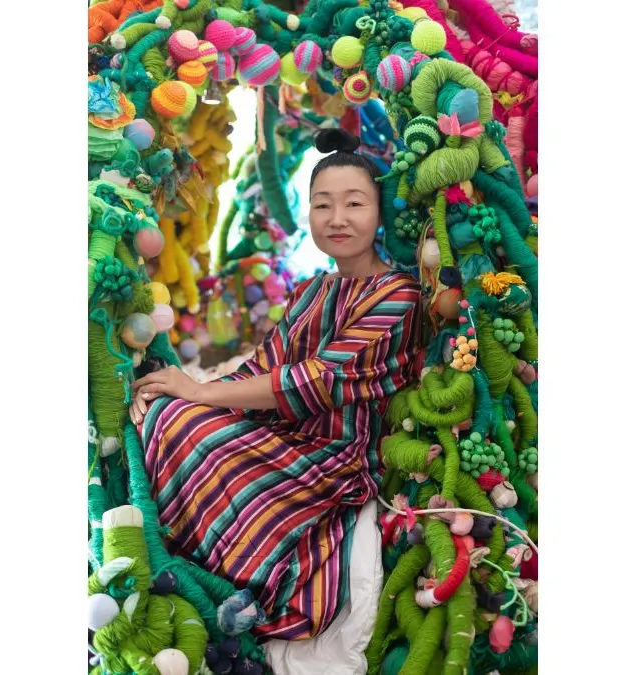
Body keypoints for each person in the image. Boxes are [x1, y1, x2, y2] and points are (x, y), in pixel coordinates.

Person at [129, 129, 423, 640]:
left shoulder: (399, 293)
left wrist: (201, 392)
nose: (337, 218)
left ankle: (255, 580)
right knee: (168, 416)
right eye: (322, 204)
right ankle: (201, 557)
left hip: (335, 456)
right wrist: (179, 389)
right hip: (279, 434)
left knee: (198, 425)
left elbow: (315, 381)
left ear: (379, 212)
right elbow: (262, 367)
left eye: (354, 203)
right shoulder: (311, 289)